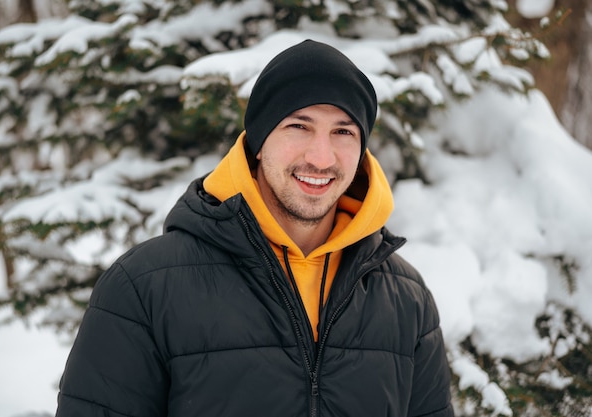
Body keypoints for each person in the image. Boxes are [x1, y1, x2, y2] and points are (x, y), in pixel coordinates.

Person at [55, 39, 454, 417]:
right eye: (299, 126)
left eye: (343, 131)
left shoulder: (406, 299)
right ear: (259, 142)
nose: (321, 156)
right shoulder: (145, 288)